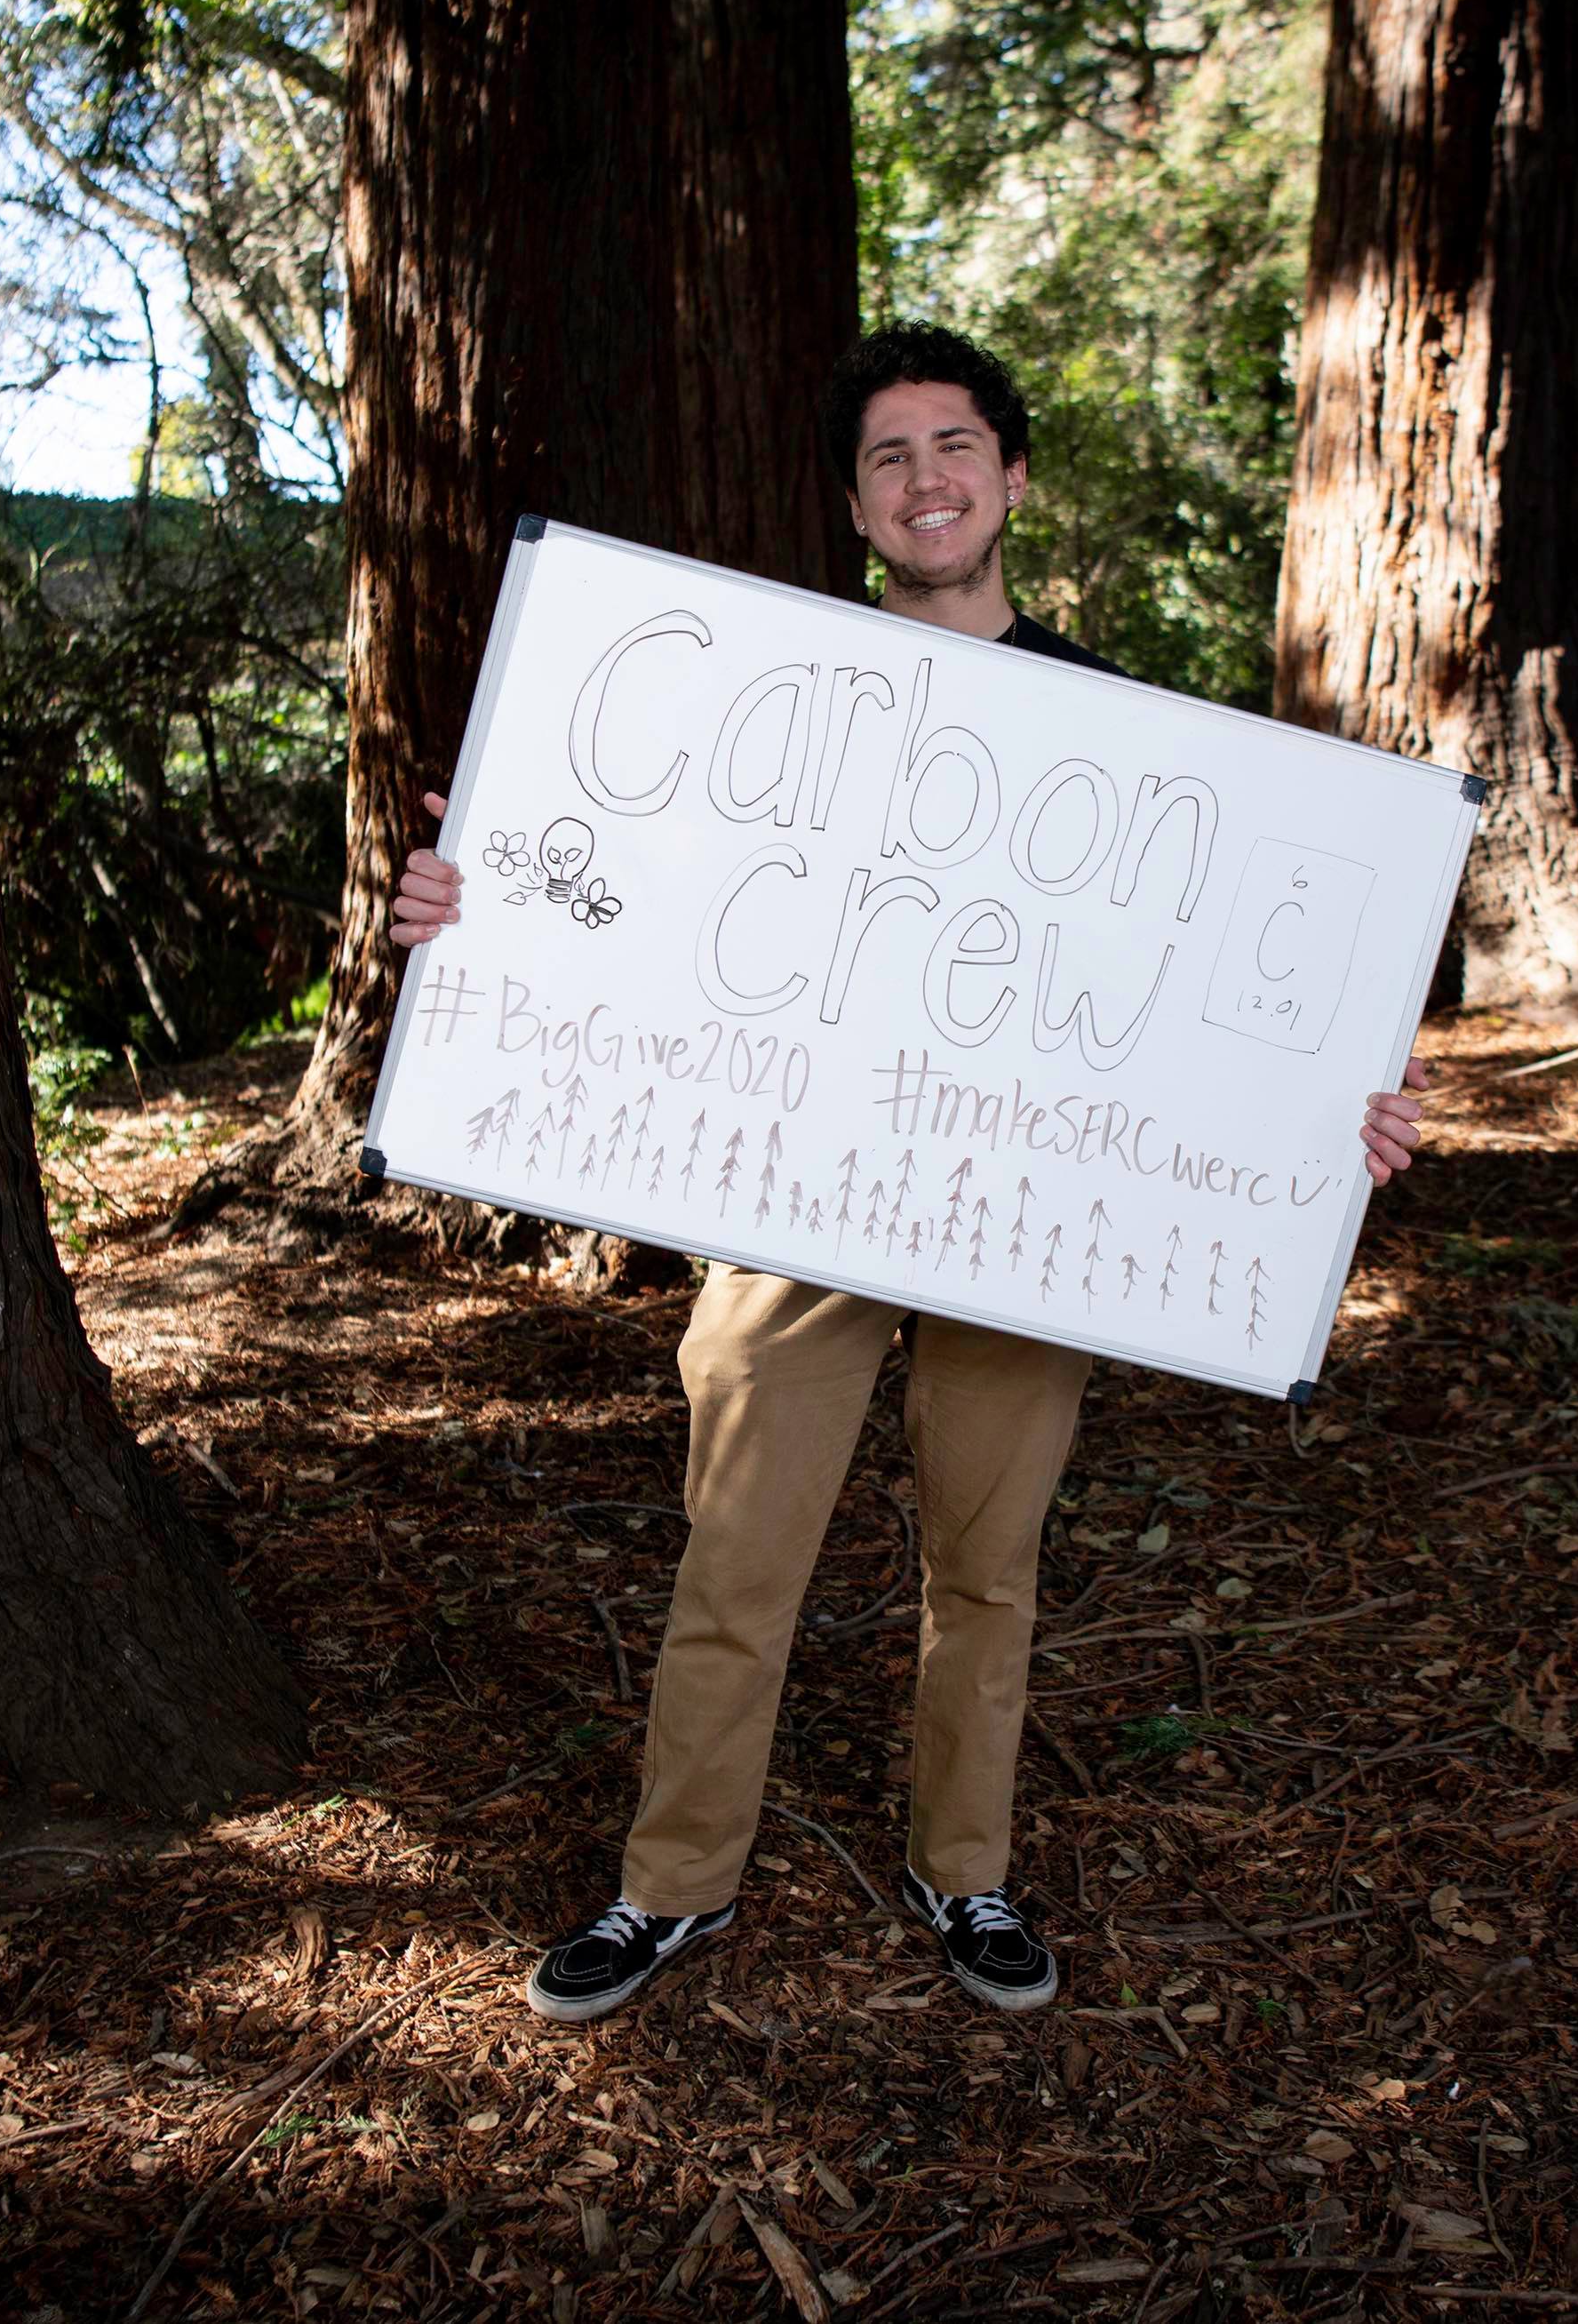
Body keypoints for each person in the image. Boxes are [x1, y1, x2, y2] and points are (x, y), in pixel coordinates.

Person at [385, 323, 1431, 2023]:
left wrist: (1341, 1122)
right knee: (737, 1550)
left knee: (987, 1565)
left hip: (1028, 1215)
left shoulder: (1140, 735)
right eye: (889, 458)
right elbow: (628, 906)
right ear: (857, 506)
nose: (926, 479)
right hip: (801, 1195)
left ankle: (968, 1872)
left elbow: (1225, 1003)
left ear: (1012, 479)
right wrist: (473, 905)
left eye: (955, 447)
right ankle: (672, 1888)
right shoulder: (775, 699)